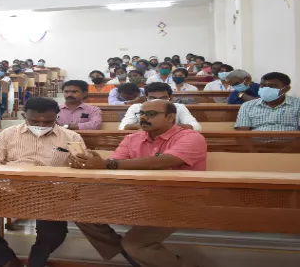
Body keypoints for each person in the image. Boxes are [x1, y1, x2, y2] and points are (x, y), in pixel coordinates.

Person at [71, 100, 206, 267]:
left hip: (178, 202)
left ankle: (135, 251)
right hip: (138, 197)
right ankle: (125, 252)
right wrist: (90, 163)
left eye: (151, 114)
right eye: (141, 113)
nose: (143, 117)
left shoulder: (191, 137)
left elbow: (162, 162)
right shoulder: (132, 138)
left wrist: (107, 164)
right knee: (79, 210)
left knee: (135, 244)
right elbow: (113, 164)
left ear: (170, 117)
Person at [0, 98, 86, 267]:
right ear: (24, 116)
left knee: (54, 232)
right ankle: (5, 260)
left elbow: (81, 168)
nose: (41, 124)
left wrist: (80, 163)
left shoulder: (71, 137)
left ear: (57, 116)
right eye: (34, 121)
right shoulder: (8, 134)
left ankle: (37, 261)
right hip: (11, 188)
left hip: (51, 192)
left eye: (47, 121)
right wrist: (11, 178)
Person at [119, 83, 201, 131]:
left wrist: (167, 127)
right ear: (146, 98)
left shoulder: (179, 107)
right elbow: (122, 127)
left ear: (170, 98)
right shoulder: (136, 107)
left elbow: (196, 127)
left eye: (163, 98)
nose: (157, 101)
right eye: (152, 98)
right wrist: (146, 125)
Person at [235, 72, 300, 131]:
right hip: (257, 142)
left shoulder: (297, 104)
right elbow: (242, 132)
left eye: (272, 86)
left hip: (290, 143)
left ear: (286, 89)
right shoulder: (247, 106)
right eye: (262, 86)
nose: (266, 89)